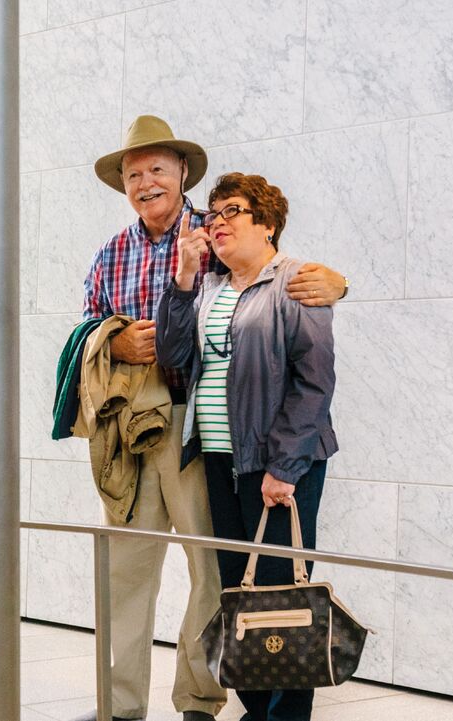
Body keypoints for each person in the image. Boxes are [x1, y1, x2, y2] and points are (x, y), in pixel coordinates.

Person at [70, 116, 345, 721]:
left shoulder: (216, 230)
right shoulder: (112, 251)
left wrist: (339, 283)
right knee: (128, 566)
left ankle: (200, 700)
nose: (146, 183)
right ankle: (118, 707)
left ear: (182, 174)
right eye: (133, 174)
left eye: (157, 170)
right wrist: (113, 344)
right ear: (122, 185)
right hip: (136, 427)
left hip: (199, 425)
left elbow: (277, 290)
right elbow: (85, 327)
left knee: (217, 571)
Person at [156, 172, 338, 721]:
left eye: (232, 210)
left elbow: (314, 382)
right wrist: (183, 281)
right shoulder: (209, 285)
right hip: (218, 458)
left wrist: (284, 465)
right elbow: (172, 352)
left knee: (282, 595)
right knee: (241, 589)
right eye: (212, 214)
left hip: (280, 464)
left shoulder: (297, 282)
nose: (219, 222)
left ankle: (286, 715)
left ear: (269, 222)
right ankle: (255, 707)